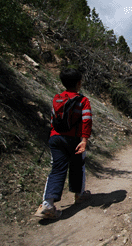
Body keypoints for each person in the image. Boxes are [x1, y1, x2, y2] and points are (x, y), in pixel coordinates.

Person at [34, 68, 92, 219]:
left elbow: (53, 119)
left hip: (55, 138)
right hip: (75, 139)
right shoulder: (82, 100)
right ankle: (79, 194)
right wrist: (84, 140)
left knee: (57, 168)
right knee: (78, 165)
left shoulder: (57, 98)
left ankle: (47, 204)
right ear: (79, 83)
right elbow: (86, 120)